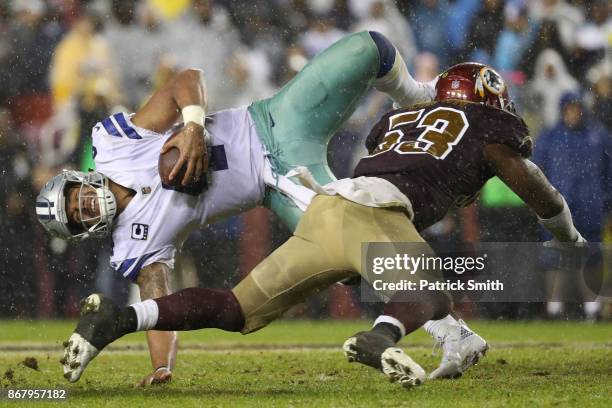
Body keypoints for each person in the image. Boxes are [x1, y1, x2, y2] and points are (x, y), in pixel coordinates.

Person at [60, 62, 585, 388]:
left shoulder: (398, 119)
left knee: (235, 309)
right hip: (371, 212)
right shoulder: (489, 127)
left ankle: (121, 320)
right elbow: (527, 179)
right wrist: (566, 235)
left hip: (327, 209)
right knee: (432, 294)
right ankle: (380, 337)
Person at [36, 31, 442, 386]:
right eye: (76, 216)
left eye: (74, 196)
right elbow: (156, 307)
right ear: (82, 231)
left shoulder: (112, 146)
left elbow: (187, 79)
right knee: (359, 257)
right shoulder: (132, 245)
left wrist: (193, 126)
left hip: (275, 121)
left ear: (77, 178)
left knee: (367, 47)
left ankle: (419, 98)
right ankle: (448, 331)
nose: (83, 205)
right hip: (282, 187)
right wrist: (162, 365)